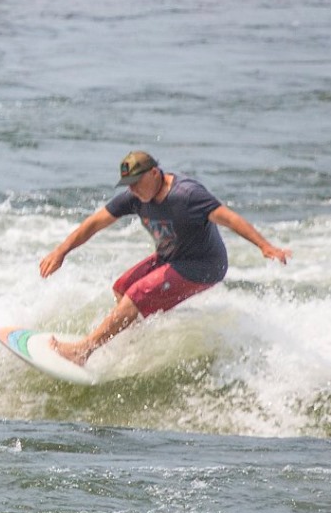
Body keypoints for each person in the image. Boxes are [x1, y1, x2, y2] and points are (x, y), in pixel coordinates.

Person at [37, 151, 290, 365]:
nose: (133, 190)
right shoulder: (136, 198)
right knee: (122, 288)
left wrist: (264, 246)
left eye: (137, 182)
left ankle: (83, 352)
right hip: (172, 257)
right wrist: (61, 251)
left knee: (136, 294)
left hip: (204, 265)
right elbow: (94, 223)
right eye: (129, 185)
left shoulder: (187, 195)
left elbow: (229, 218)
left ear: (155, 173)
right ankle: (132, 339)